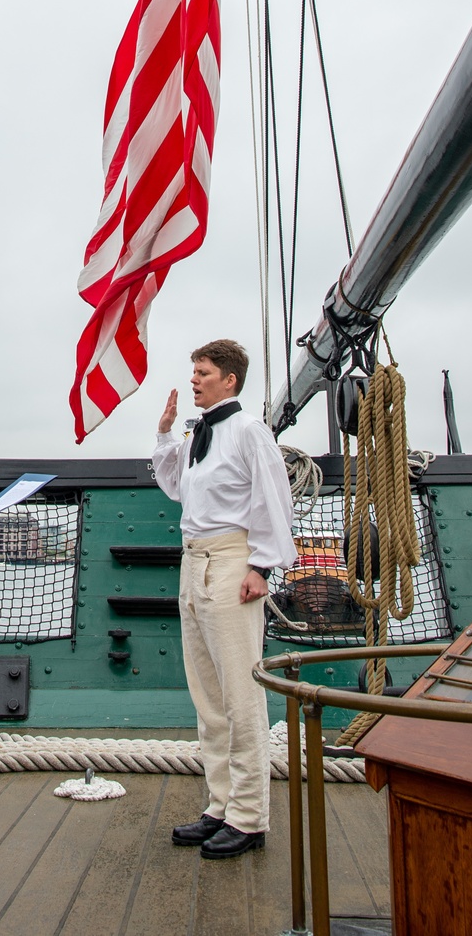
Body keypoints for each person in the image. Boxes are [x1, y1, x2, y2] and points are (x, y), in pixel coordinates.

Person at [151, 338, 297, 860]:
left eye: (203, 371)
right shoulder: (198, 435)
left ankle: (250, 816)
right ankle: (220, 805)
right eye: (193, 370)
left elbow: (272, 496)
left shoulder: (249, 431)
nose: (194, 379)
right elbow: (175, 486)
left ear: (229, 379)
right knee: (209, 698)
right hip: (194, 564)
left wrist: (261, 566)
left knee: (240, 695)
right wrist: (166, 431)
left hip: (232, 562)